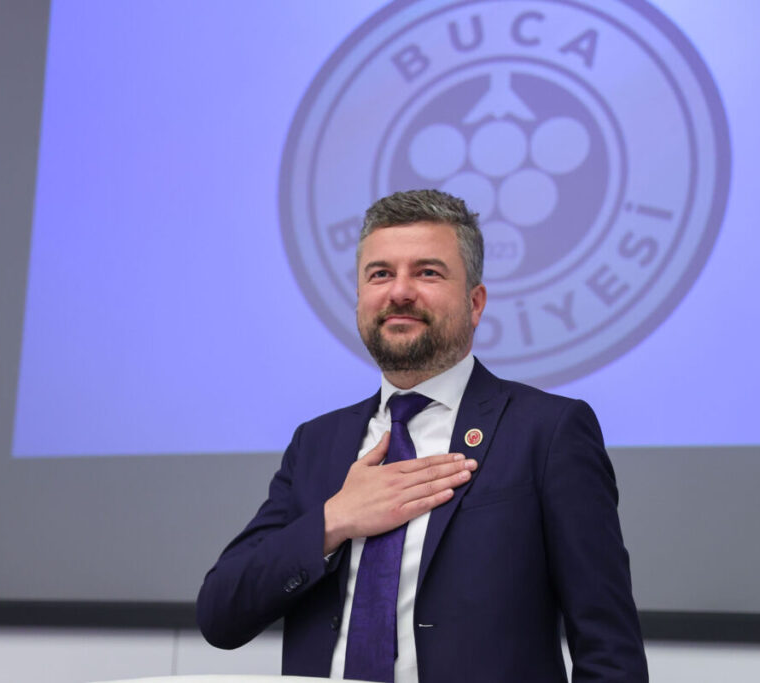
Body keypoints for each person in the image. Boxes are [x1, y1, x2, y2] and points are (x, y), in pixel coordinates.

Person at [197, 189, 648, 682]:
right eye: (380, 274)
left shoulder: (548, 431)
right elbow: (221, 615)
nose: (399, 292)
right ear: (360, 298)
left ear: (475, 302)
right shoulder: (316, 443)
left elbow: (610, 652)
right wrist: (333, 521)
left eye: (427, 272)